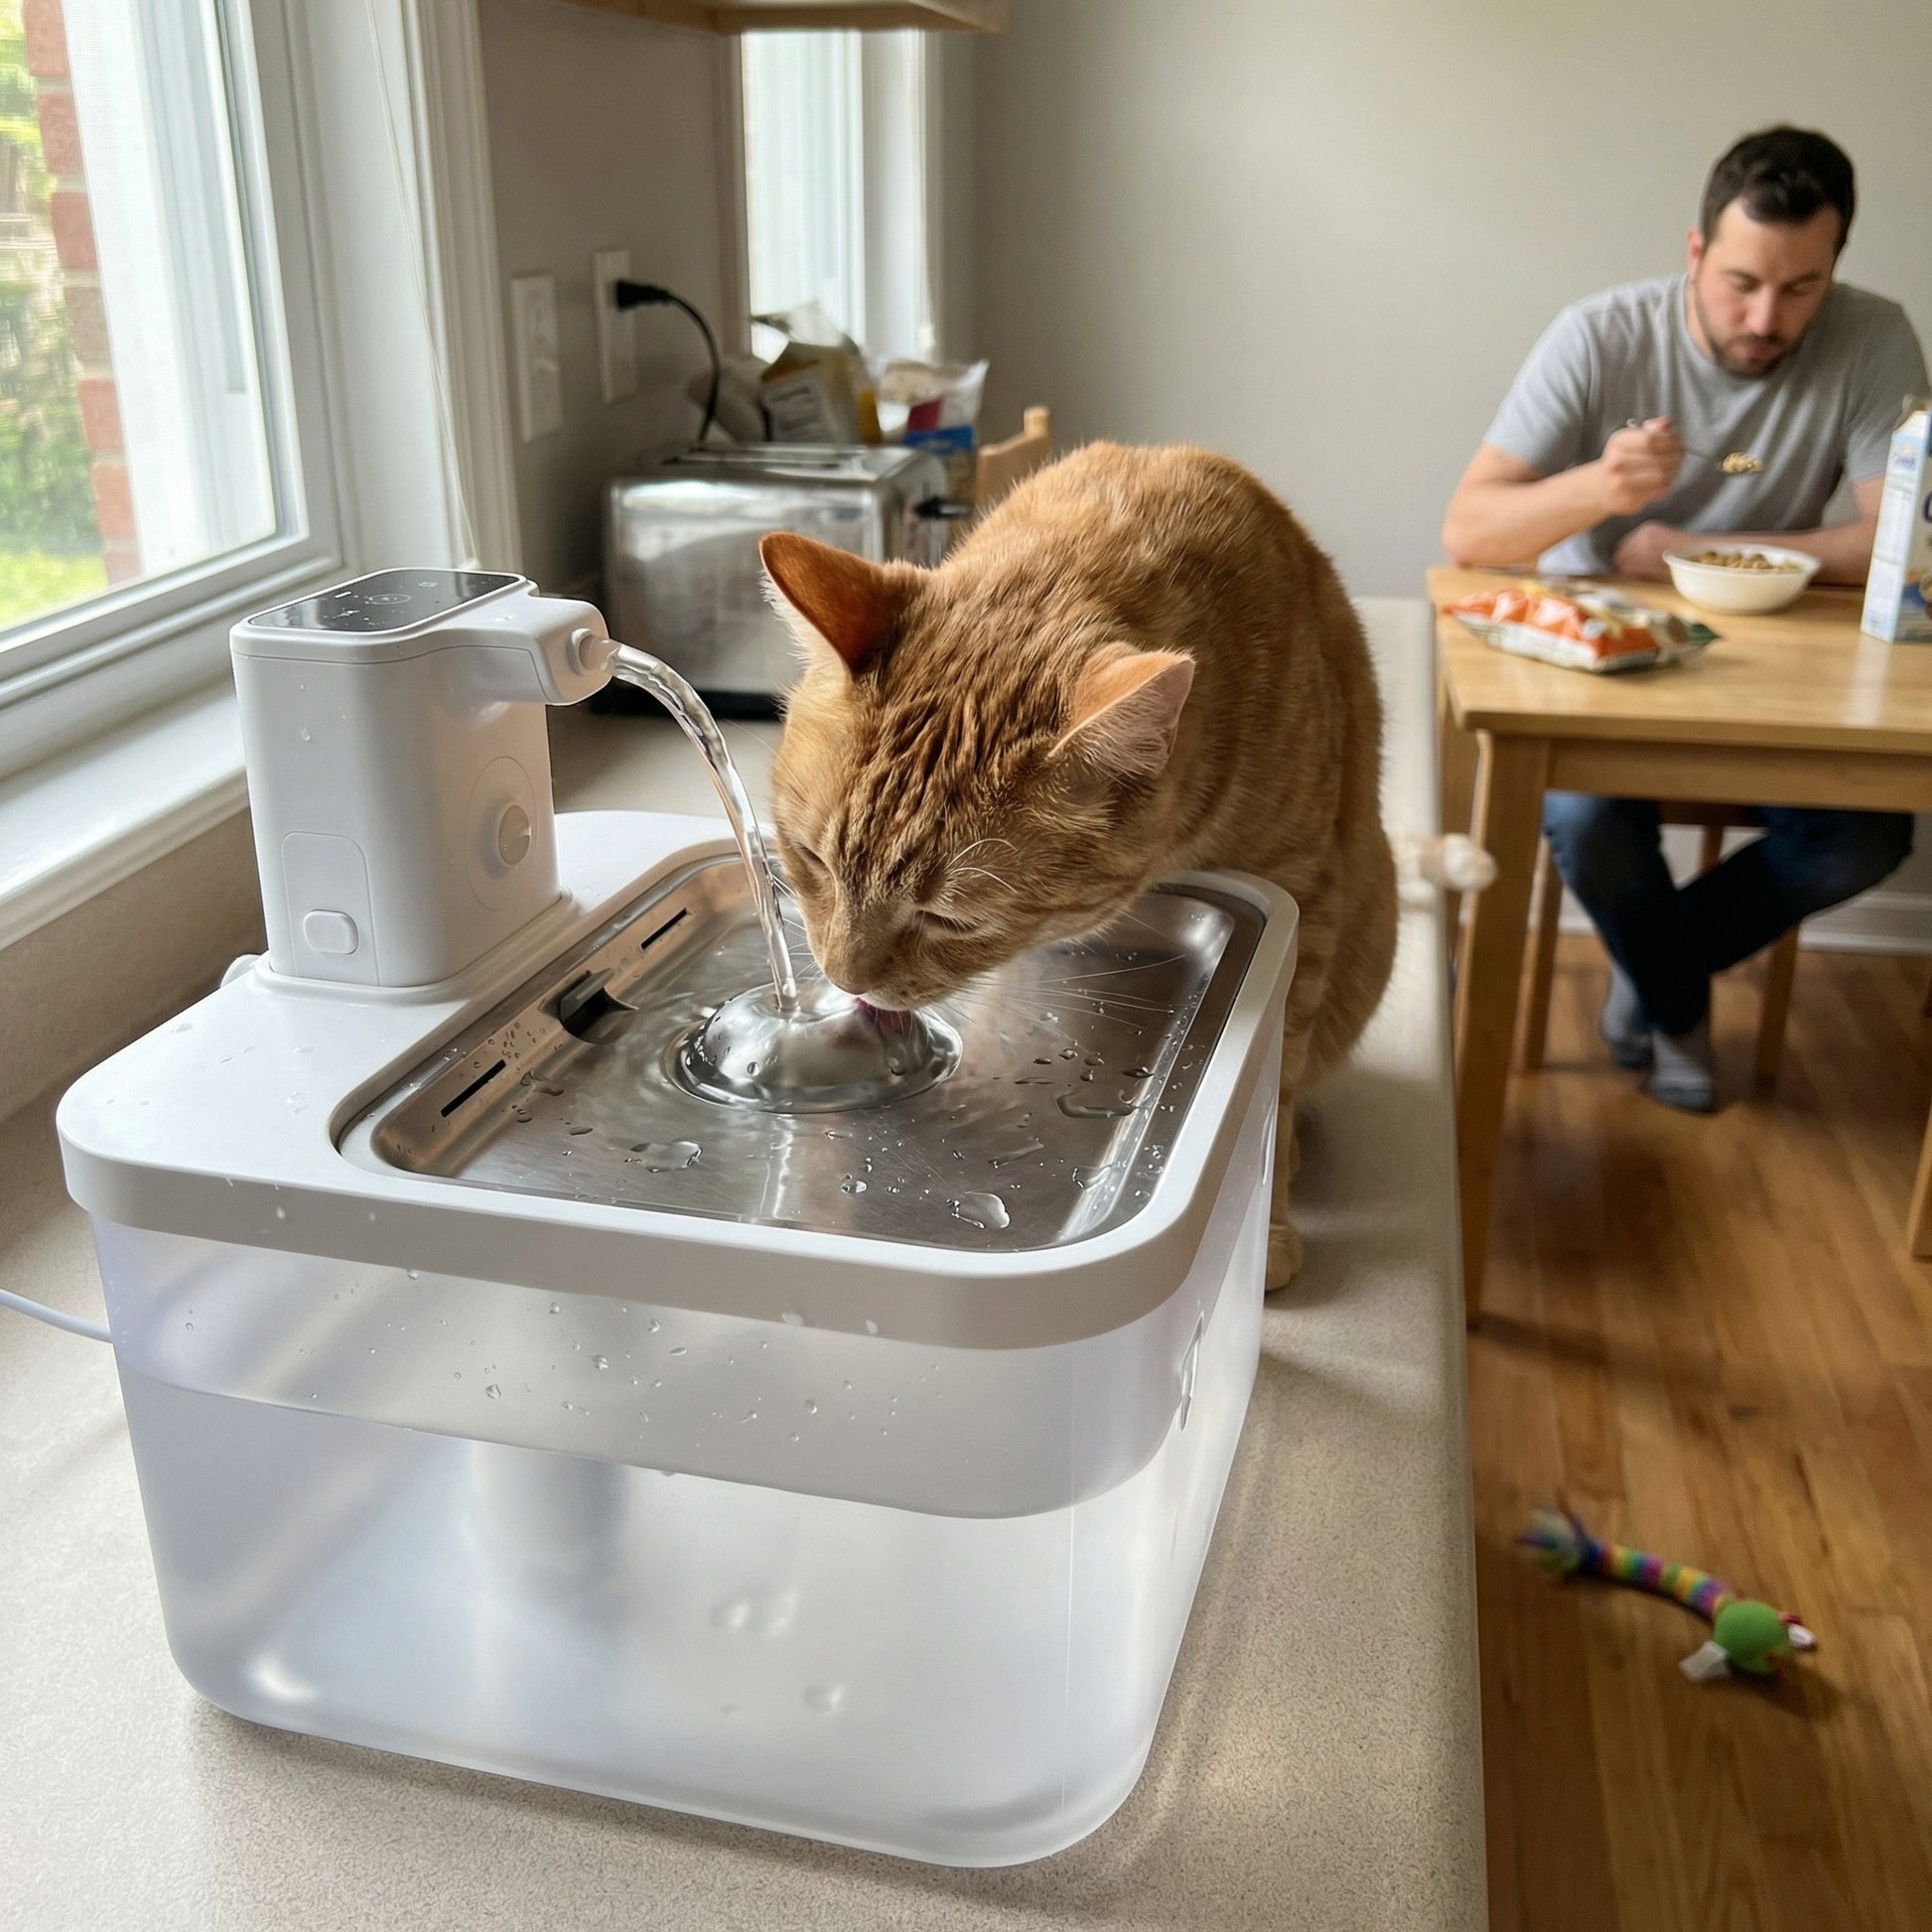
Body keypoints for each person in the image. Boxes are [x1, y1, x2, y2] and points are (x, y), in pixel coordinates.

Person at [1442, 125, 1929, 1112]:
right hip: (1602, 657)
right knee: (1581, 818)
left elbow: (1900, 541)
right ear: (1695, 251)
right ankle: (1676, 1004)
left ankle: (1650, 969)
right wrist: (1594, 485)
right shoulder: (1597, 333)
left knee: (1865, 837)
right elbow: (1468, 531)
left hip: (1789, 673)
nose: (1764, 316)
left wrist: (1699, 553)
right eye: (1741, 281)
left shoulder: (1872, 336)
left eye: (1800, 288)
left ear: (1832, 266)